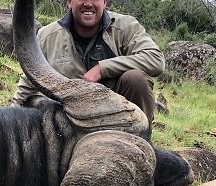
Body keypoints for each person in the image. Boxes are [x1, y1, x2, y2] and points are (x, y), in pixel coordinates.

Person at [12, 0, 165, 137]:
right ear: (69, 2)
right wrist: (9, 122)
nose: (88, 4)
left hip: (118, 116)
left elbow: (156, 60)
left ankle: (142, 144)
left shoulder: (126, 26)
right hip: (71, 123)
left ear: (105, 2)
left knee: (136, 79)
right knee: (35, 104)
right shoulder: (47, 36)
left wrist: (103, 68)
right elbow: (29, 82)